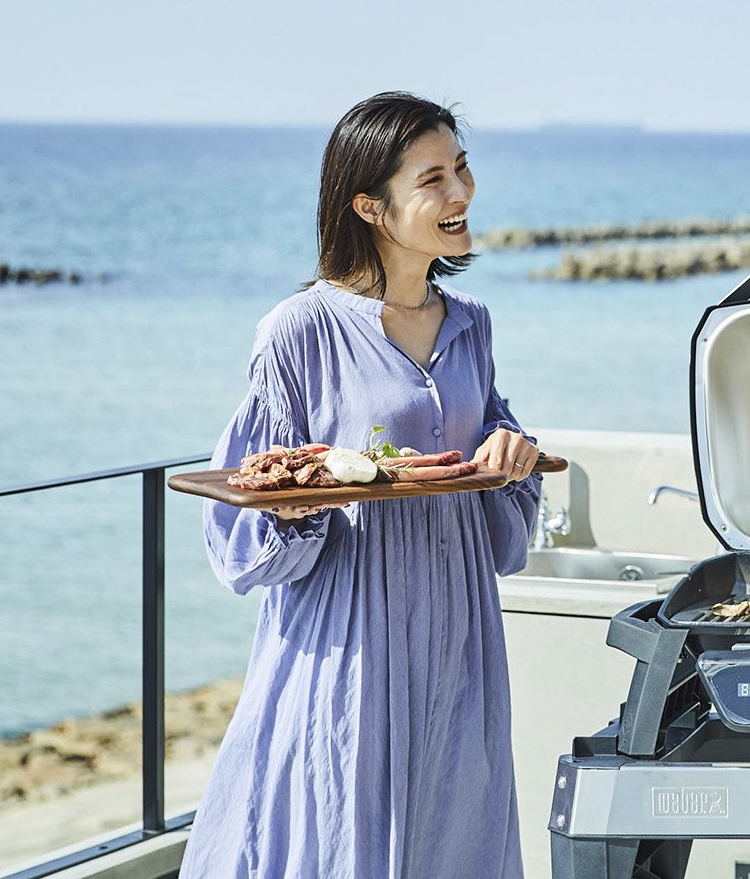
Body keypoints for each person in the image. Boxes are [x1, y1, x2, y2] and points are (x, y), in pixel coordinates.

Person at [180, 93, 542, 879]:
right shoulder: (298, 330)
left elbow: (501, 499)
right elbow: (245, 537)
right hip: (350, 644)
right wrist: (298, 508)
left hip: (460, 635)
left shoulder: (471, 322)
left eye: (463, 169)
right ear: (371, 206)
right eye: (433, 179)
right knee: (341, 835)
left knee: (457, 830)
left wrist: (509, 453)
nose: (461, 194)